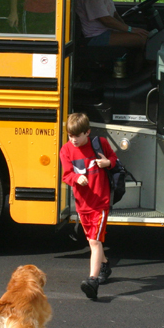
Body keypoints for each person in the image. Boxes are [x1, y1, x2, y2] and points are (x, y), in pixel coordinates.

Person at [60, 112, 118, 300]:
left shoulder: (99, 143)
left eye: (77, 136)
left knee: (94, 242)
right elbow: (66, 175)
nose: (73, 140)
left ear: (87, 133)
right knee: (93, 241)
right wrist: (77, 178)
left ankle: (92, 280)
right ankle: (105, 265)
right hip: (82, 204)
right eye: (70, 136)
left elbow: (114, 161)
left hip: (100, 202)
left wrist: (106, 163)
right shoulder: (66, 150)